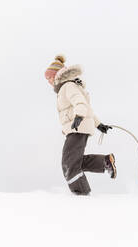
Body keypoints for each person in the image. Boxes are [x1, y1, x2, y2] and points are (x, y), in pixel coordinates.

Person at [45, 54, 117, 195]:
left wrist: (79, 116)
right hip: (77, 126)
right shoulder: (66, 87)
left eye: (50, 77)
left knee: (69, 163)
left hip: (77, 127)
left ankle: (82, 194)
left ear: (58, 74)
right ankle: (105, 162)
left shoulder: (68, 86)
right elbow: (87, 108)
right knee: (74, 161)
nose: (49, 81)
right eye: (47, 79)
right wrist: (98, 124)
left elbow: (80, 103)